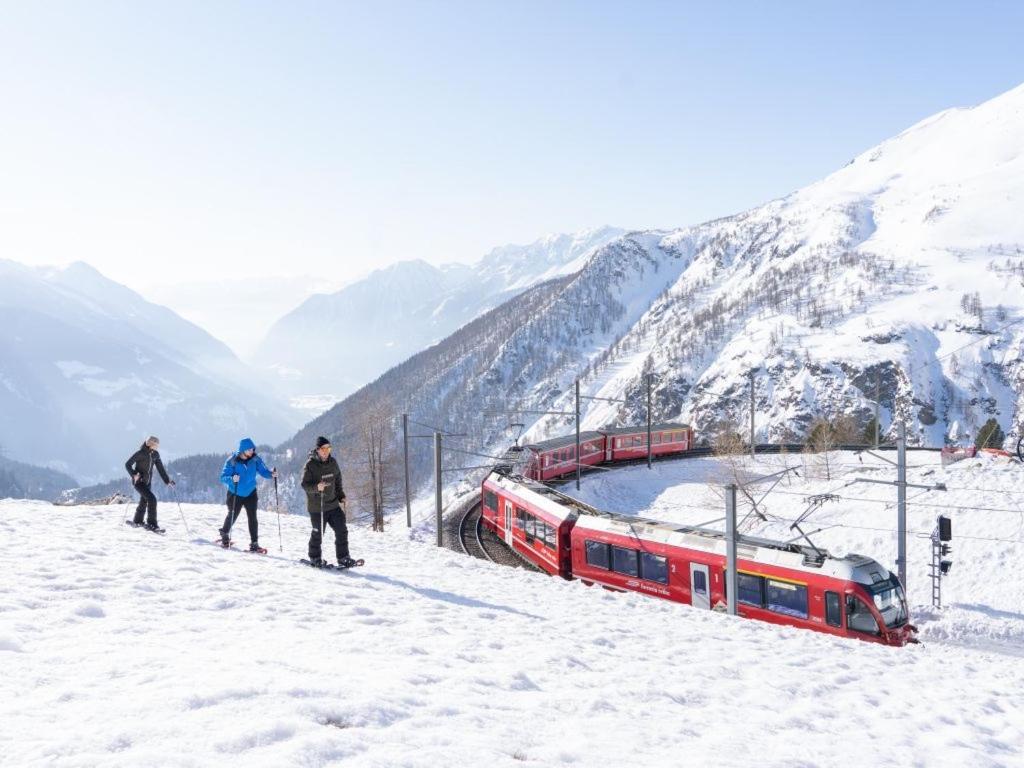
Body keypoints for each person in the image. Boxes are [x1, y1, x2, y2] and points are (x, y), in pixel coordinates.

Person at [300, 436, 357, 568]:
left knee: (342, 529)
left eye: (328, 448)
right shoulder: (310, 465)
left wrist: (341, 495)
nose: (326, 451)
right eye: (323, 449)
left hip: (332, 505)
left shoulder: (333, 463)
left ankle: (343, 557)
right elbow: (304, 485)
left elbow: (337, 481)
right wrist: (316, 487)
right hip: (317, 507)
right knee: (318, 533)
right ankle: (315, 557)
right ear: (318, 450)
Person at [218, 437, 276, 552]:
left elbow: (263, 471)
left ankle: (254, 543)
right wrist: (232, 479)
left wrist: (271, 474)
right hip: (235, 493)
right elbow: (223, 477)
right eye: (249, 449)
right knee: (233, 515)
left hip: (250, 492)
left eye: (253, 449)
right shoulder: (232, 461)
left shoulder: (255, 459)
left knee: (253, 517)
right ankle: (224, 533)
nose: (252, 451)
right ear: (243, 450)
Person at [124, 436, 174, 533]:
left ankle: (137, 521)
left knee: (144, 500)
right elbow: (127, 464)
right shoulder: (140, 453)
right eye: (156, 445)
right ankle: (152, 524)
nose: (157, 447)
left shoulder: (155, 454)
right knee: (152, 499)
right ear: (150, 444)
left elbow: (160, 468)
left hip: (147, 482)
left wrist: (167, 481)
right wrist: (134, 474)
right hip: (139, 482)